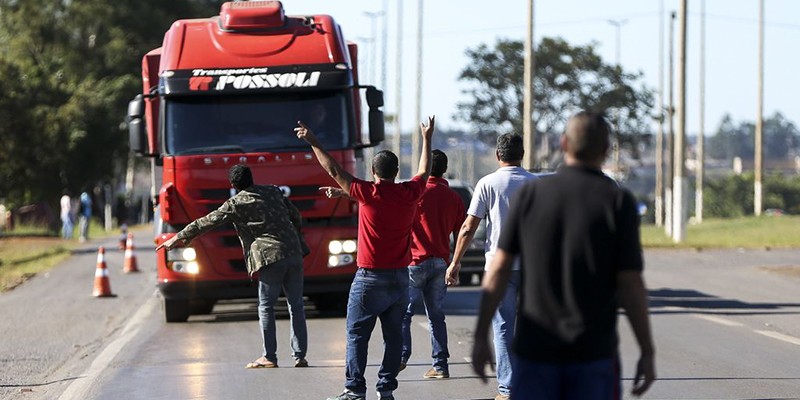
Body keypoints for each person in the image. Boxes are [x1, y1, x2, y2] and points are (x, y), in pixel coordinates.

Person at [471, 111, 656, 399]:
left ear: (563, 144)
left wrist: (481, 333)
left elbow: (500, 268)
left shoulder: (531, 194)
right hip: (594, 351)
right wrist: (646, 349)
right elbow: (630, 283)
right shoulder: (617, 202)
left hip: (537, 353)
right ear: (606, 150)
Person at [295, 116, 435, 400]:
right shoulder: (409, 193)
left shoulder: (367, 192)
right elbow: (424, 170)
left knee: (357, 335)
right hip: (399, 278)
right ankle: (386, 390)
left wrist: (313, 141)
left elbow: (333, 169)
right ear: (396, 172)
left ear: (373, 171)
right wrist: (427, 138)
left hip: (370, 277)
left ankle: (355, 390)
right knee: (393, 337)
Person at [156, 164, 309, 369]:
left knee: (266, 307)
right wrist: (292, 237)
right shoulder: (273, 190)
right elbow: (296, 216)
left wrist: (178, 238)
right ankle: (299, 356)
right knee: (296, 305)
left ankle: (269, 357)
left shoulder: (235, 203)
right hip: (294, 252)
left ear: (233, 185)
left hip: (269, 257)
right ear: (252, 178)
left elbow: (206, 222)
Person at [447, 133, 536, 400]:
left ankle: (508, 389)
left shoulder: (487, 183)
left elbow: (468, 228)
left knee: (503, 327)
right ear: (523, 154)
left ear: (498, 156)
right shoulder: (536, 185)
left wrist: (455, 262)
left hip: (498, 267)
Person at [399, 149, 465, 379]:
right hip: (441, 262)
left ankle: (401, 356)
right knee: (436, 315)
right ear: (445, 169)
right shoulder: (454, 198)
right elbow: (461, 233)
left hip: (415, 261)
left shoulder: (415, 193)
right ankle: (440, 366)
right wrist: (455, 262)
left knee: (404, 314)